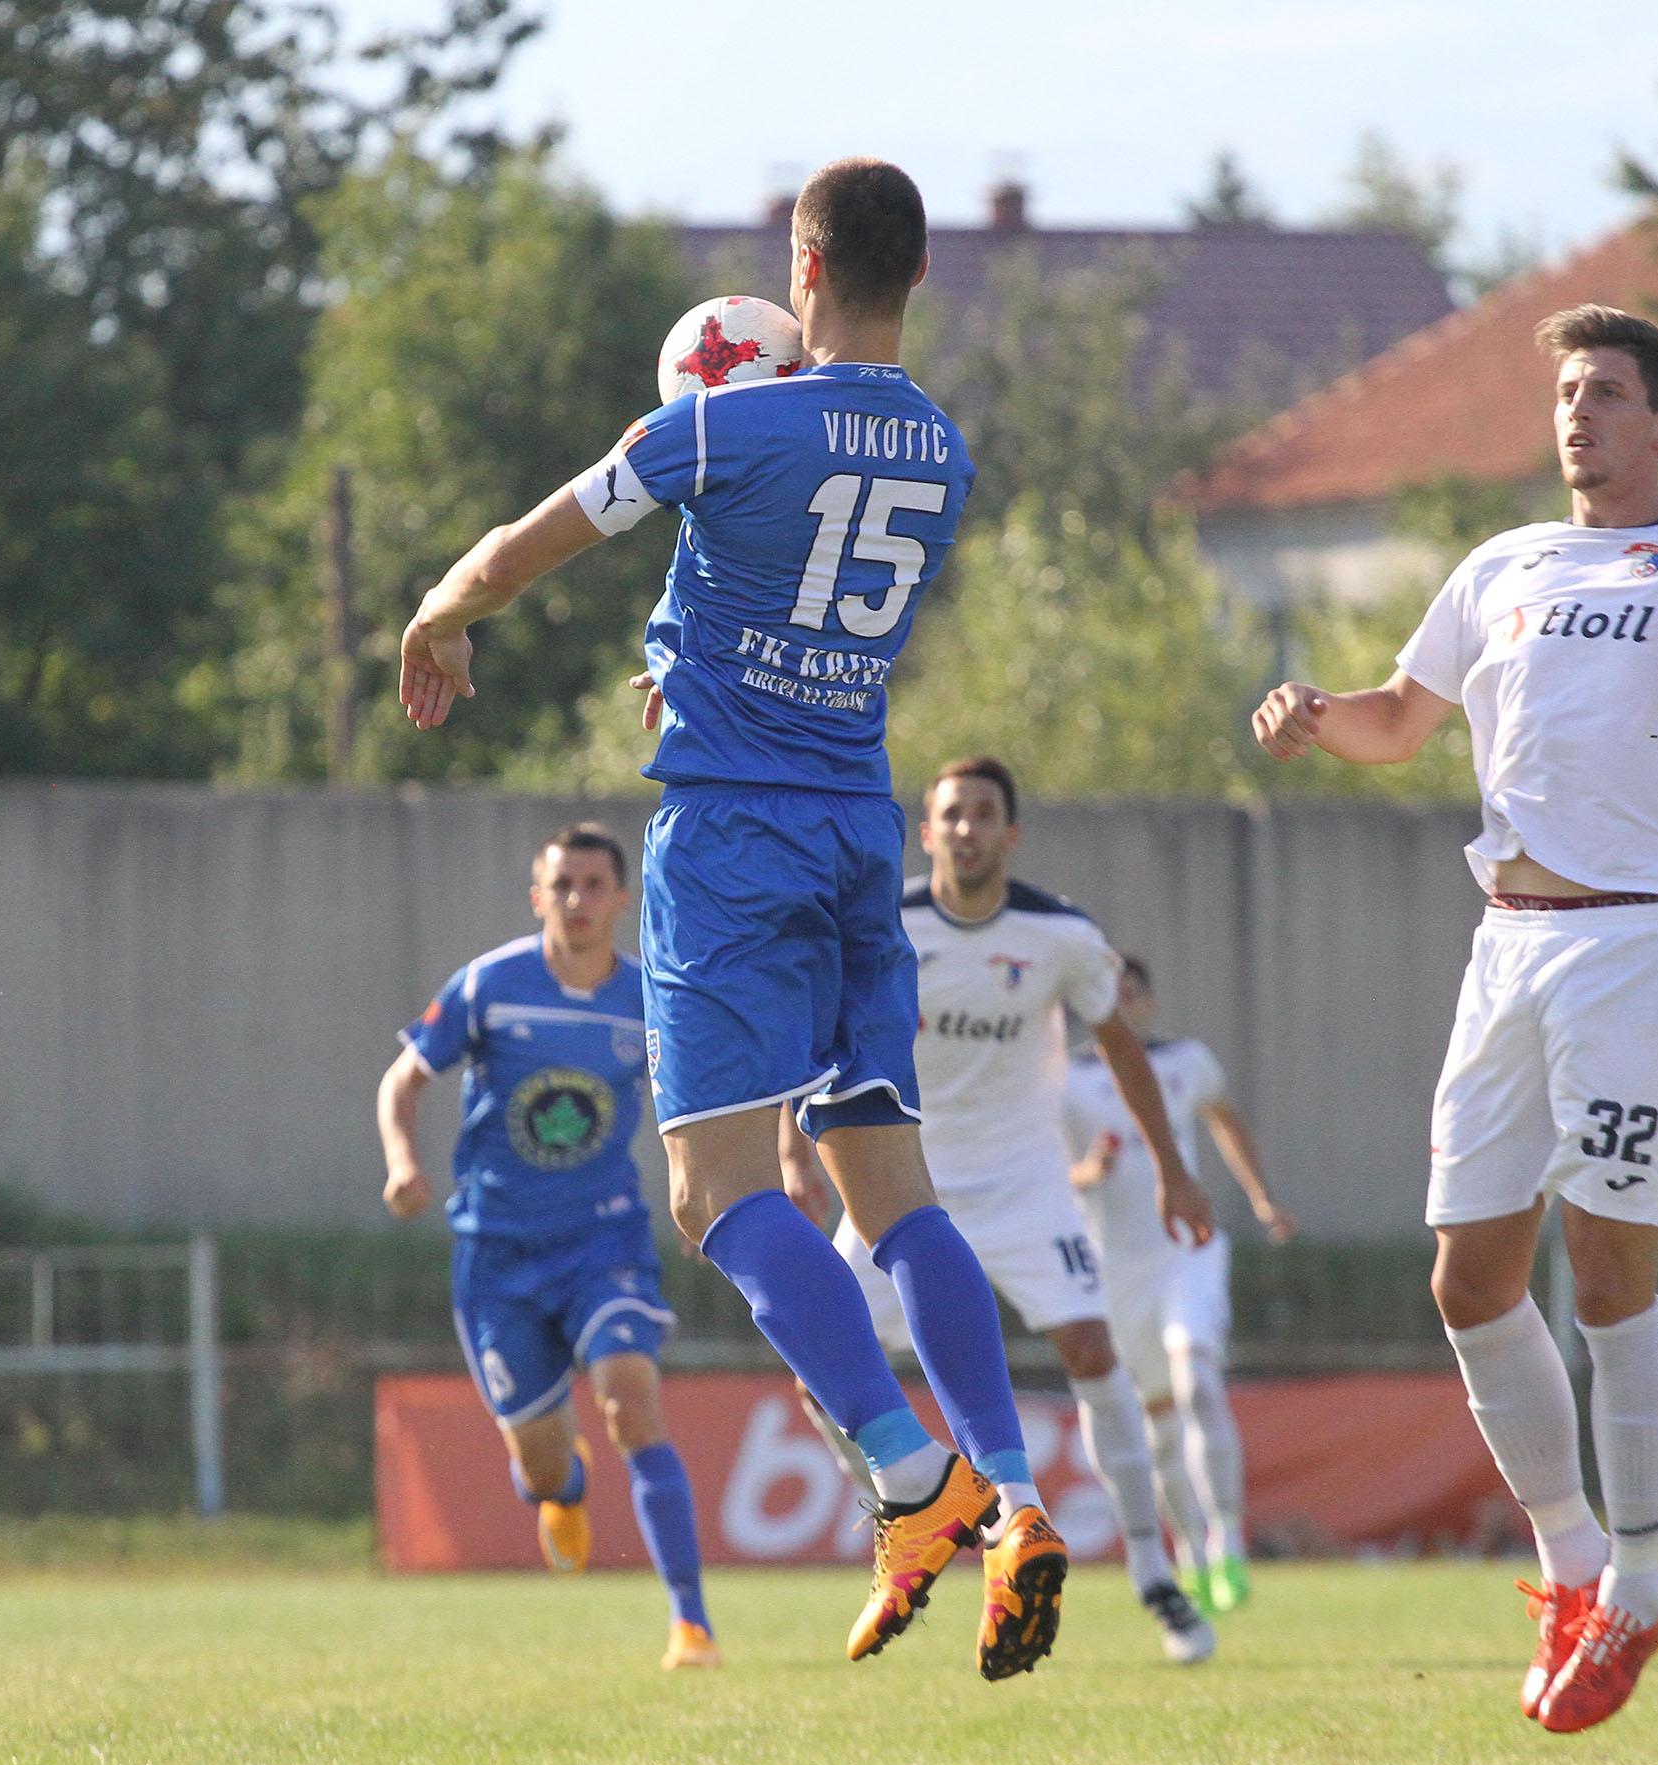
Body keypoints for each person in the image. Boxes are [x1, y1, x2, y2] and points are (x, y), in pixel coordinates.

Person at [396, 157, 1065, 1680]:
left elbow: (531, 541)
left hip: (732, 836)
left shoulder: (720, 419)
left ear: (805, 261)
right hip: (852, 828)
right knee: (892, 1194)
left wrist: (437, 611)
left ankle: (911, 1479)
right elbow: (787, 587)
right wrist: (680, 639)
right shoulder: (944, 450)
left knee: (707, 1194)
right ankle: (1014, 1496)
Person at [1251, 303, 1658, 1731]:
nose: (1576, 414)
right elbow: (1396, 718)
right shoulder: (1497, 565)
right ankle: (1566, 1558)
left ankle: (1635, 1578)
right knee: (1467, 1284)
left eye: (1605, 393)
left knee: (1609, 1275)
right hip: (1503, 948)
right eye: (1564, 392)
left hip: (1636, 948)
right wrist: (1314, 715)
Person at [798, 758, 1220, 1664]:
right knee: (815, 1364)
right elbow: (816, 1033)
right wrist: (798, 1153)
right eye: (951, 814)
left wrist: (1172, 1171)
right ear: (927, 832)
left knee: (1094, 1354)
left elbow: (1121, 1047)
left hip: (1028, 1184)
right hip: (899, 1178)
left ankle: (1155, 1573)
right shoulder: (887, 923)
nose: (966, 829)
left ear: (1010, 832)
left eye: (983, 814)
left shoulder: (1059, 933)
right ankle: (911, 1516)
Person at [376, 824, 718, 1671]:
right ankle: (561, 1486)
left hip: (604, 1238)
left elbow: (697, 1100)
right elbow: (404, 1078)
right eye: (561, 884)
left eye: (593, 884)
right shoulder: (490, 985)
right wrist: (402, 1162)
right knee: (536, 1459)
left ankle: (690, 1623)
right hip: (495, 1254)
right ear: (539, 896)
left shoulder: (646, 999)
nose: (577, 899)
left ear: (620, 898)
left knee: (629, 1399)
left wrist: (700, 1187)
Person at [1065, 952, 1295, 1615]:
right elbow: (1050, 1172)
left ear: (1148, 1002)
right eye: (1109, 994)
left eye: (1132, 992)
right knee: (1160, 1424)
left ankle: (1228, 1538)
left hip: (1183, 1250)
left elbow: (1224, 1118)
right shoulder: (1067, 1081)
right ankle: (1189, 1548)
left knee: (1197, 1376)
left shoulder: (1184, 1061)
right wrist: (1088, 1171)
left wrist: (1259, 1196)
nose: (1122, 1004)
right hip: (1114, 1268)